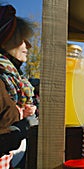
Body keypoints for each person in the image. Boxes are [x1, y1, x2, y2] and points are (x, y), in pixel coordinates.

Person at [0, 4, 38, 168]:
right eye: (23, 39)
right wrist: (22, 117)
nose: (28, 46)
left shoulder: (12, 74)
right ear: (6, 39)